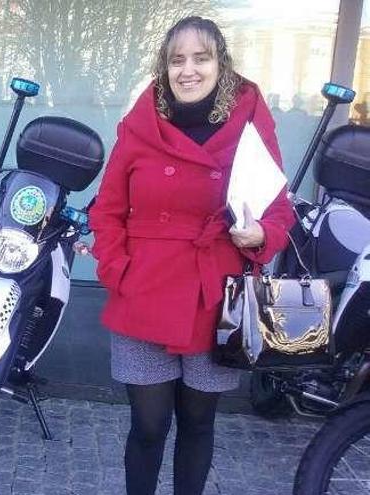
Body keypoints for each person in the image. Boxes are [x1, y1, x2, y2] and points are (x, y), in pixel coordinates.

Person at [90, 16, 294, 495]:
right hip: (144, 294)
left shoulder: (249, 123)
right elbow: (107, 210)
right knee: (147, 424)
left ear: (220, 64)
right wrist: (118, 271)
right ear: (164, 66)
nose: (188, 70)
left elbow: (279, 209)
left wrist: (259, 234)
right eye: (177, 59)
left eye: (201, 58)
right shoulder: (140, 125)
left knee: (199, 422)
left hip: (217, 297)